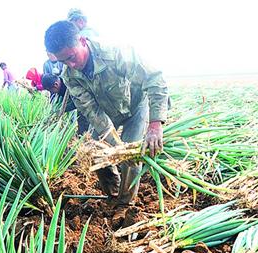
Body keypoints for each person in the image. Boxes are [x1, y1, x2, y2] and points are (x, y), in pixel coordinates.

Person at [44, 21, 169, 220]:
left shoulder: (115, 52)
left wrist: (155, 124)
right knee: (96, 152)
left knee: (131, 153)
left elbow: (154, 79)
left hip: (135, 106)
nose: (71, 65)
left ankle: (124, 204)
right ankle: (113, 193)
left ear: (82, 41)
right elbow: (90, 110)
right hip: (107, 112)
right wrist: (114, 146)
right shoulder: (70, 75)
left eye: (72, 57)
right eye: (64, 61)